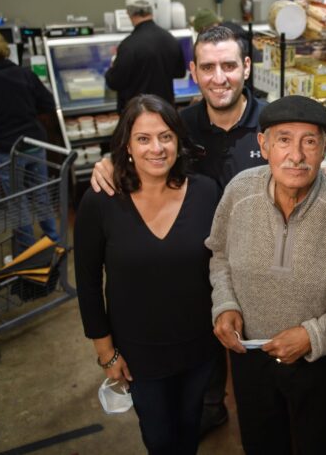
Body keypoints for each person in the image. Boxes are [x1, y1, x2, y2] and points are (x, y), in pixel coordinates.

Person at [90, 24, 267, 434]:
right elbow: (146, 148)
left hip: (257, 266)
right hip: (195, 269)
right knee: (200, 368)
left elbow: (306, 150)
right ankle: (208, 406)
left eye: (228, 65)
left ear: (246, 66)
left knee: (254, 376)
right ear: (193, 70)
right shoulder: (180, 126)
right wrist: (112, 162)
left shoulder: (273, 121)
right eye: (207, 67)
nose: (218, 77)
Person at [207, 94, 326, 454]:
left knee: (315, 444)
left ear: (324, 148)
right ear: (264, 144)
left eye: (309, 141)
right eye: (284, 139)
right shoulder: (239, 191)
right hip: (249, 355)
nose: (297, 155)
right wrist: (225, 304)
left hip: (317, 362)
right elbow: (219, 254)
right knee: (260, 443)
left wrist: (313, 335)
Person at [74, 94, 221, 455]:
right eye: (143, 138)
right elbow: (88, 282)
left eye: (166, 137)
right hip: (140, 354)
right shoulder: (101, 200)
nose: (156, 148)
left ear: (178, 142)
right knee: (158, 436)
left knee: (189, 428)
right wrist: (106, 353)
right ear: (126, 145)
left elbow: (225, 264)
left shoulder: (206, 193)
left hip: (199, 345)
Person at [0, 28, 59, 255]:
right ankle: (54, 241)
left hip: (7, 150)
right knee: (42, 194)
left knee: (19, 202)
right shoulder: (24, 74)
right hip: (35, 144)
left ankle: (27, 252)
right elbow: (47, 103)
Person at [105, 0, 186, 113]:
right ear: (152, 10)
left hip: (138, 114)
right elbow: (180, 73)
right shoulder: (170, 39)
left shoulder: (128, 45)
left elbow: (115, 82)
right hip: (166, 111)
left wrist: (112, 67)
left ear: (129, 13)